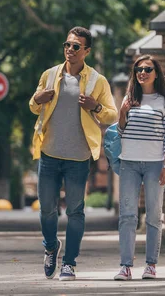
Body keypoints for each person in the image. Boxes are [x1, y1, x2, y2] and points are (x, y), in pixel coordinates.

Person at [29, 26, 118, 281]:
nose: (70, 49)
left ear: (86, 51)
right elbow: (33, 106)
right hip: (49, 153)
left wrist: (96, 106)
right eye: (67, 45)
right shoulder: (49, 75)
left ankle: (69, 263)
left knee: (75, 211)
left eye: (76, 46)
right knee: (47, 208)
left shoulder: (96, 81)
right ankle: (50, 246)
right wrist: (38, 98)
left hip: (78, 157)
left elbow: (111, 114)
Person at [114, 55, 165, 281]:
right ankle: (125, 266)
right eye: (139, 69)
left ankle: (151, 265)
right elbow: (120, 133)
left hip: (155, 164)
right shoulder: (130, 99)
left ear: (156, 73)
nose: (142, 73)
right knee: (127, 216)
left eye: (147, 69)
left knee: (153, 216)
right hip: (129, 162)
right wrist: (122, 113)